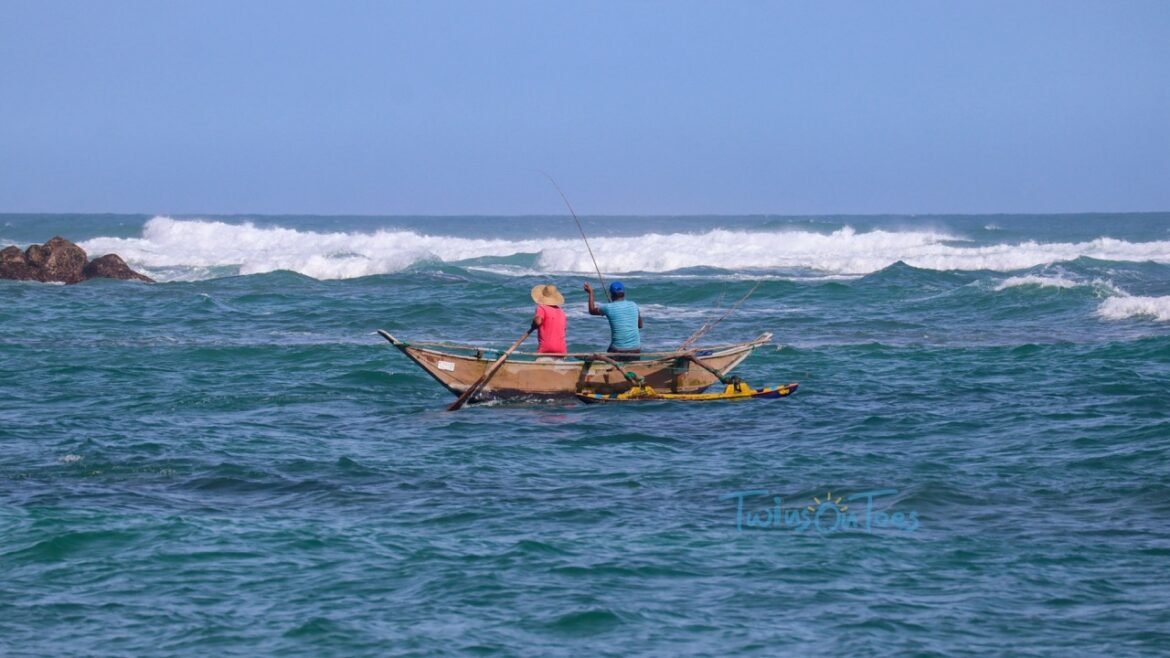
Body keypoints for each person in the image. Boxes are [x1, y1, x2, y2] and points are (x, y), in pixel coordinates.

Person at [584, 280, 643, 357]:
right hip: (636, 350)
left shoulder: (608, 307)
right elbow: (640, 325)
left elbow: (592, 310)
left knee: (608, 352)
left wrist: (591, 292)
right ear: (624, 293)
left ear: (611, 295)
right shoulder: (634, 305)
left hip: (618, 350)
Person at [530, 283, 567, 355]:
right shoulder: (561, 312)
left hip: (546, 349)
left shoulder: (541, 308)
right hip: (561, 349)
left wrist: (533, 324)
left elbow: (538, 322)